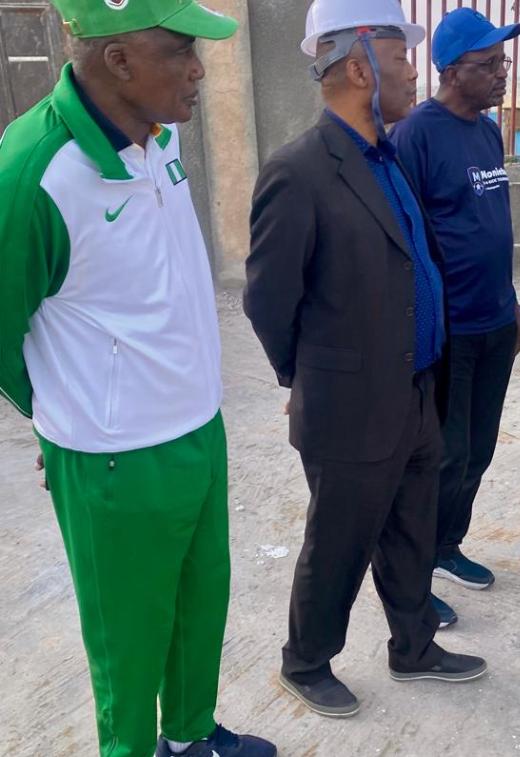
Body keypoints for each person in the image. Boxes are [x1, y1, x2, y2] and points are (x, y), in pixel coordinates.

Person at [0, 2, 277, 755]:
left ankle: (190, 736)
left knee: (198, 605)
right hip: (115, 461)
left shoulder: (160, 134)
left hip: (198, 428)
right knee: (127, 643)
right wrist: (60, 414)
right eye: (180, 50)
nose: (199, 68)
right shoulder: (32, 174)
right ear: (118, 60)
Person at [244, 0, 487, 720]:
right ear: (358, 64)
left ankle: (413, 646)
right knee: (340, 540)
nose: (415, 69)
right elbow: (268, 301)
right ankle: (306, 660)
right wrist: (310, 375)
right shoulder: (299, 170)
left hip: (414, 388)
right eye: (402, 54)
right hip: (348, 403)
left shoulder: (387, 154)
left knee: (412, 528)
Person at [390, 7, 520, 628]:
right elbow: (405, 239)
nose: (502, 74)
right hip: (451, 331)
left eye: (501, 62)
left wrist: (513, 307)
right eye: (488, 65)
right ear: (450, 72)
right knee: (441, 456)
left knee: (480, 449)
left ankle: (448, 547)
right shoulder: (417, 134)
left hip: (496, 320)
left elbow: (493, 227)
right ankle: (414, 574)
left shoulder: (488, 131)